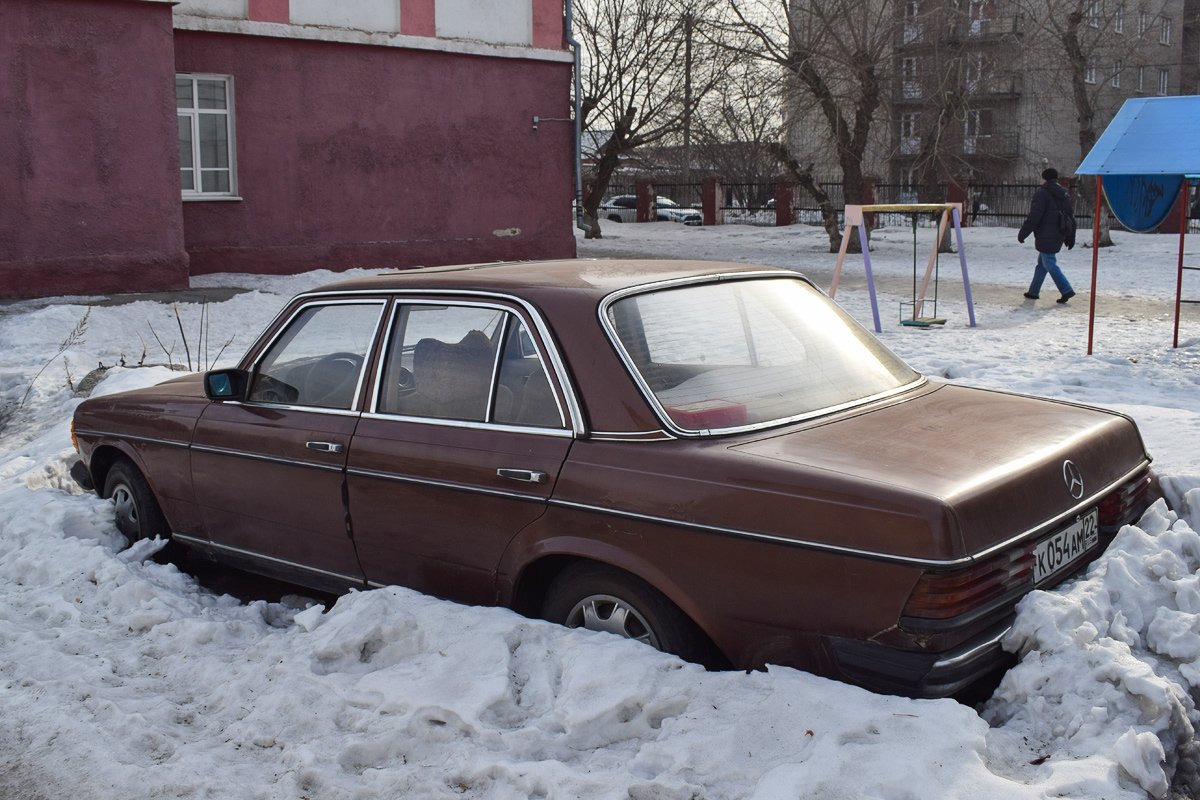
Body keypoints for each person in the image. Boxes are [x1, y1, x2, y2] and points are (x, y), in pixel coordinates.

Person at [1018, 167, 1076, 303]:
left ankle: (1066, 289)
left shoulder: (1042, 194)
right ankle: (1033, 291)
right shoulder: (1065, 195)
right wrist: (1071, 236)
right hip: (1059, 233)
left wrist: (1023, 233)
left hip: (1045, 233)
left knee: (1049, 262)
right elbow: (1071, 218)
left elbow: (1035, 216)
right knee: (1042, 264)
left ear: (1044, 178)